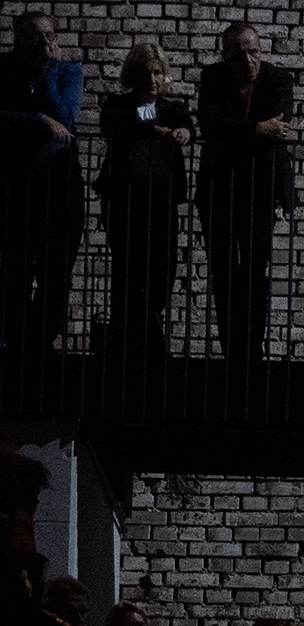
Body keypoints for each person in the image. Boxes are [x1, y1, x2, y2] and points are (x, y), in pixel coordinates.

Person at [192, 18, 290, 366]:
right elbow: (210, 124)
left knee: (254, 274)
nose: (249, 61)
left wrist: (242, 133)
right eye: (239, 55)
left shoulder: (279, 79)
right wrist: (256, 129)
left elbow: (277, 126)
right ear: (224, 55)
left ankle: (252, 348)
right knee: (223, 273)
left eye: (254, 52)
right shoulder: (212, 78)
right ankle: (232, 350)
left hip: (261, 192)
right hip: (219, 190)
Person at [96, 40, 189, 371]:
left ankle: (145, 335)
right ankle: (137, 349)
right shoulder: (117, 106)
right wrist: (154, 126)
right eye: (146, 72)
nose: (152, 78)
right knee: (127, 272)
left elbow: (185, 123)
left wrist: (180, 132)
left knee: (162, 273)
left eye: (157, 71)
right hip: (125, 198)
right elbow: (114, 124)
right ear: (132, 75)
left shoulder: (171, 106)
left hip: (161, 199)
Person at [0, 10, 84, 370]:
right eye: (36, 36)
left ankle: (37, 345)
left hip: (60, 186)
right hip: (14, 185)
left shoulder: (68, 72)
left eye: (49, 35)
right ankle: (15, 346)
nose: (44, 43)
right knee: (13, 271)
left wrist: (48, 72)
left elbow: (64, 117)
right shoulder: (1, 69)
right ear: (17, 36)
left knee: (55, 273)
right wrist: (35, 120)